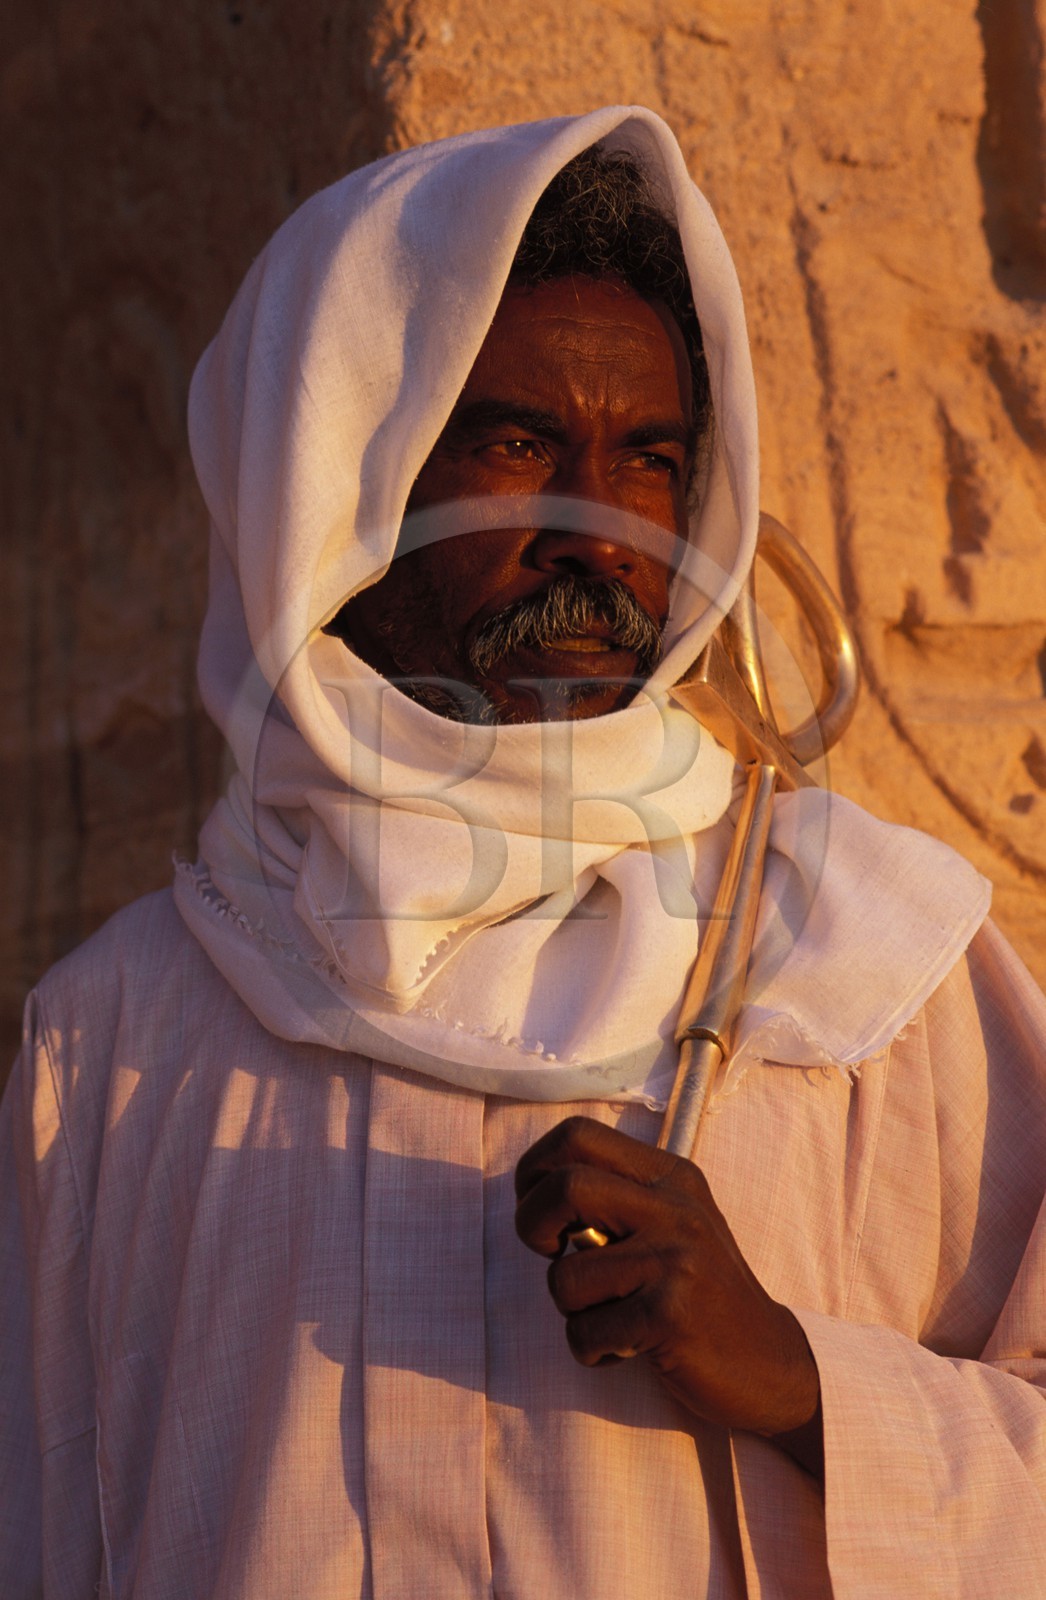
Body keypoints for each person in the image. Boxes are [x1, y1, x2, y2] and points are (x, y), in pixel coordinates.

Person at [2, 105, 1045, 1598]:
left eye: (645, 460)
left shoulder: (866, 969)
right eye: (514, 444)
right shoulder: (118, 1039)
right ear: (334, 492)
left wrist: (812, 1388)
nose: (596, 533)